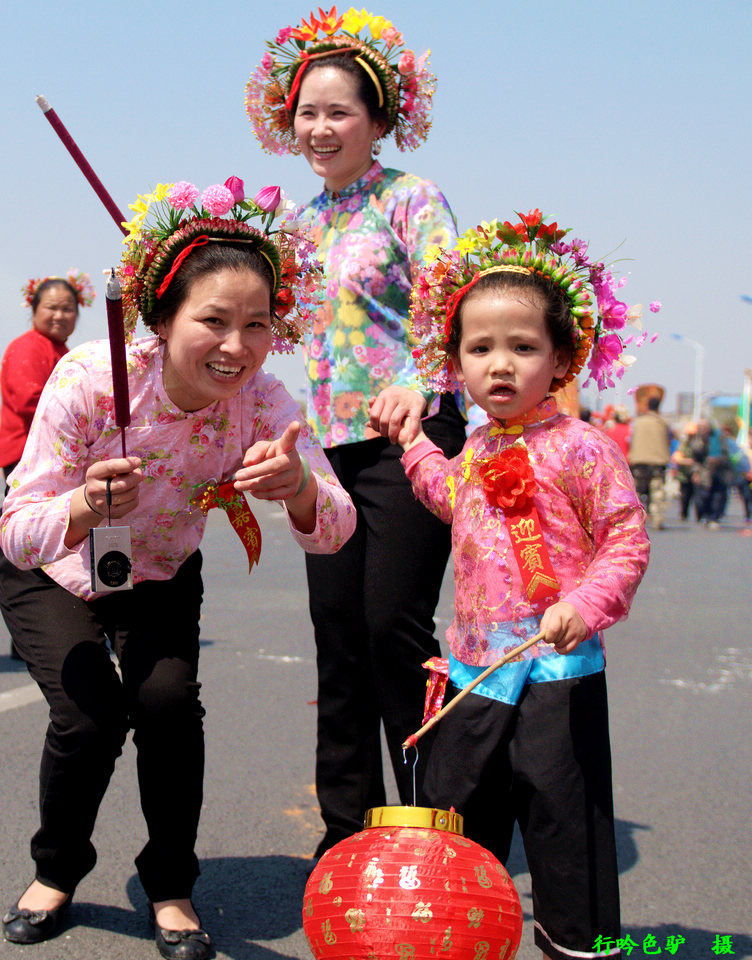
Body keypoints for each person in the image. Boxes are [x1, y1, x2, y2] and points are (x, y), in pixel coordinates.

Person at [0, 179, 355, 956]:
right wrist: (87, 506)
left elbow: (336, 529)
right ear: (161, 319)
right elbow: (18, 530)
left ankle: (170, 885)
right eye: (213, 321)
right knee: (90, 717)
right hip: (56, 564)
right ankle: (55, 872)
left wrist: (296, 488)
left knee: (165, 706)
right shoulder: (92, 379)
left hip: (158, 571)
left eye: (256, 324)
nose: (236, 345)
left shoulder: (264, 404)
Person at [398, 210, 653, 960]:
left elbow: (626, 540)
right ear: (456, 362)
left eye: (522, 346)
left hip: (556, 669)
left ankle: (576, 944)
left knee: (562, 818)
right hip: (477, 669)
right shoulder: (474, 447)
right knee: (462, 816)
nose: (499, 365)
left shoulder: (583, 448)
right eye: (479, 349)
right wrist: (414, 450)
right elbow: (453, 501)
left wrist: (583, 603)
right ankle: (461, 936)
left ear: (563, 357)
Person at [245, 6, 466, 857]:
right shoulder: (299, 223)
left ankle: (432, 820)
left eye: (340, 111)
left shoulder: (412, 199)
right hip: (325, 453)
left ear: (379, 119)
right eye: (307, 111)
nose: (321, 126)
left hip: (411, 435)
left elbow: (452, 300)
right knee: (336, 637)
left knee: (391, 630)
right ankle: (347, 833)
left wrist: (419, 382)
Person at [0, 271, 94, 659]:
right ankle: (30, 631)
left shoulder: (62, 351)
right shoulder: (27, 347)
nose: (60, 315)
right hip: (27, 455)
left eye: (69, 308)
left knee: (48, 542)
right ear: (34, 309)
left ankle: (40, 633)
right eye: (52, 307)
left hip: (56, 457)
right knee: (27, 541)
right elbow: (31, 402)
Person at [628, 395, 671, 529]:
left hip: (639, 461)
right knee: (657, 492)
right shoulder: (663, 423)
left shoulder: (638, 422)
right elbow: (669, 440)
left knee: (638, 493)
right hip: (657, 461)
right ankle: (657, 518)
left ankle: (636, 520)